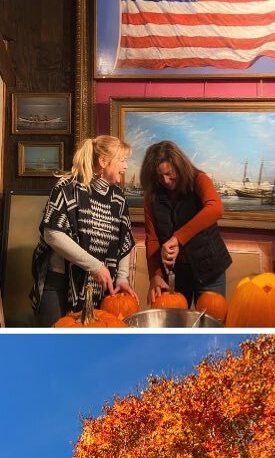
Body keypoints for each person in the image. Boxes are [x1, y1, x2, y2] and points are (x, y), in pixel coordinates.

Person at [31, 136, 137, 327]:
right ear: (103, 161)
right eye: (122, 160)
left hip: (98, 288)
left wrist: (122, 278)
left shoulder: (119, 198)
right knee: (54, 345)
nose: (126, 166)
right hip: (57, 284)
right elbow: (52, 233)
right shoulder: (67, 188)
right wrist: (95, 266)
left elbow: (124, 242)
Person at [141, 140, 232, 309]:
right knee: (174, 326)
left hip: (210, 268)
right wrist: (155, 275)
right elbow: (152, 239)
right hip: (176, 273)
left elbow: (216, 208)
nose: (166, 181)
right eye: (159, 176)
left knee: (210, 323)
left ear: (179, 165)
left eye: (169, 173)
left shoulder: (199, 179)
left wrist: (177, 238)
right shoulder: (151, 196)